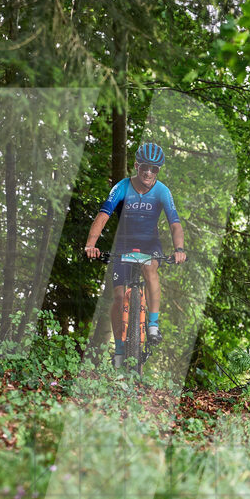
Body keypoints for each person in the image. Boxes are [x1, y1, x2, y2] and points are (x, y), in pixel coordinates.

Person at [84, 142, 186, 366]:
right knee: (119, 297)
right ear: (137, 165)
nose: (149, 172)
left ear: (158, 170)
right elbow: (103, 216)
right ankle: (120, 350)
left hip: (150, 243)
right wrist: (91, 245)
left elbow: (175, 224)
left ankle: (152, 324)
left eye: (154, 169)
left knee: (150, 268)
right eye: (145, 167)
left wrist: (179, 249)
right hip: (123, 244)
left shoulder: (162, 191)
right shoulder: (121, 187)